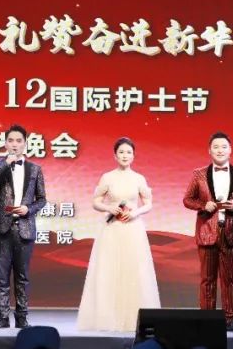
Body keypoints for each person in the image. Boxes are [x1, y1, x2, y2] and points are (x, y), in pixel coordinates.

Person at [76, 137, 161, 332]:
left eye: (128, 152)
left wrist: (136, 212)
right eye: (121, 152)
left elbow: (148, 203)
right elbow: (95, 201)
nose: (125, 155)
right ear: (115, 155)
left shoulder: (139, 178)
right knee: (109, 270)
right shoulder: (107, 177)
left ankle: (133, 318)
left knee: (134, 271)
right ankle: (108, 318)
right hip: (112, 229)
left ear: (134, 156)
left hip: (133, 229)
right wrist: (109, 208)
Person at [182, 131, 233, 332]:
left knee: (229, 278)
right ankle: (207, 320)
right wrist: (203, 205)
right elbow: (187, 199)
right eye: (216, 147)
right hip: (207, 231)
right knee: (207, 279)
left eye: (224, 147)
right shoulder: (198, 174)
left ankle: (229, 319)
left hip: (231, 232)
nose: (220, 150)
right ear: (209, 150)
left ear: (230, 150)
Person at [0, 124, 47, 329]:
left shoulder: (35, 169)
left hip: (25, 227)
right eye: (11, 140)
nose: (14, 145)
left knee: (23, 277)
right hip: (1, 227)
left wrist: (28, 209)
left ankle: (22, 317)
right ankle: (2, 318)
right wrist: (6, 163)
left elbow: (42, 199)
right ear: (5, 143)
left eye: (19, 141)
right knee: (2, 276)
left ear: (25, 143)